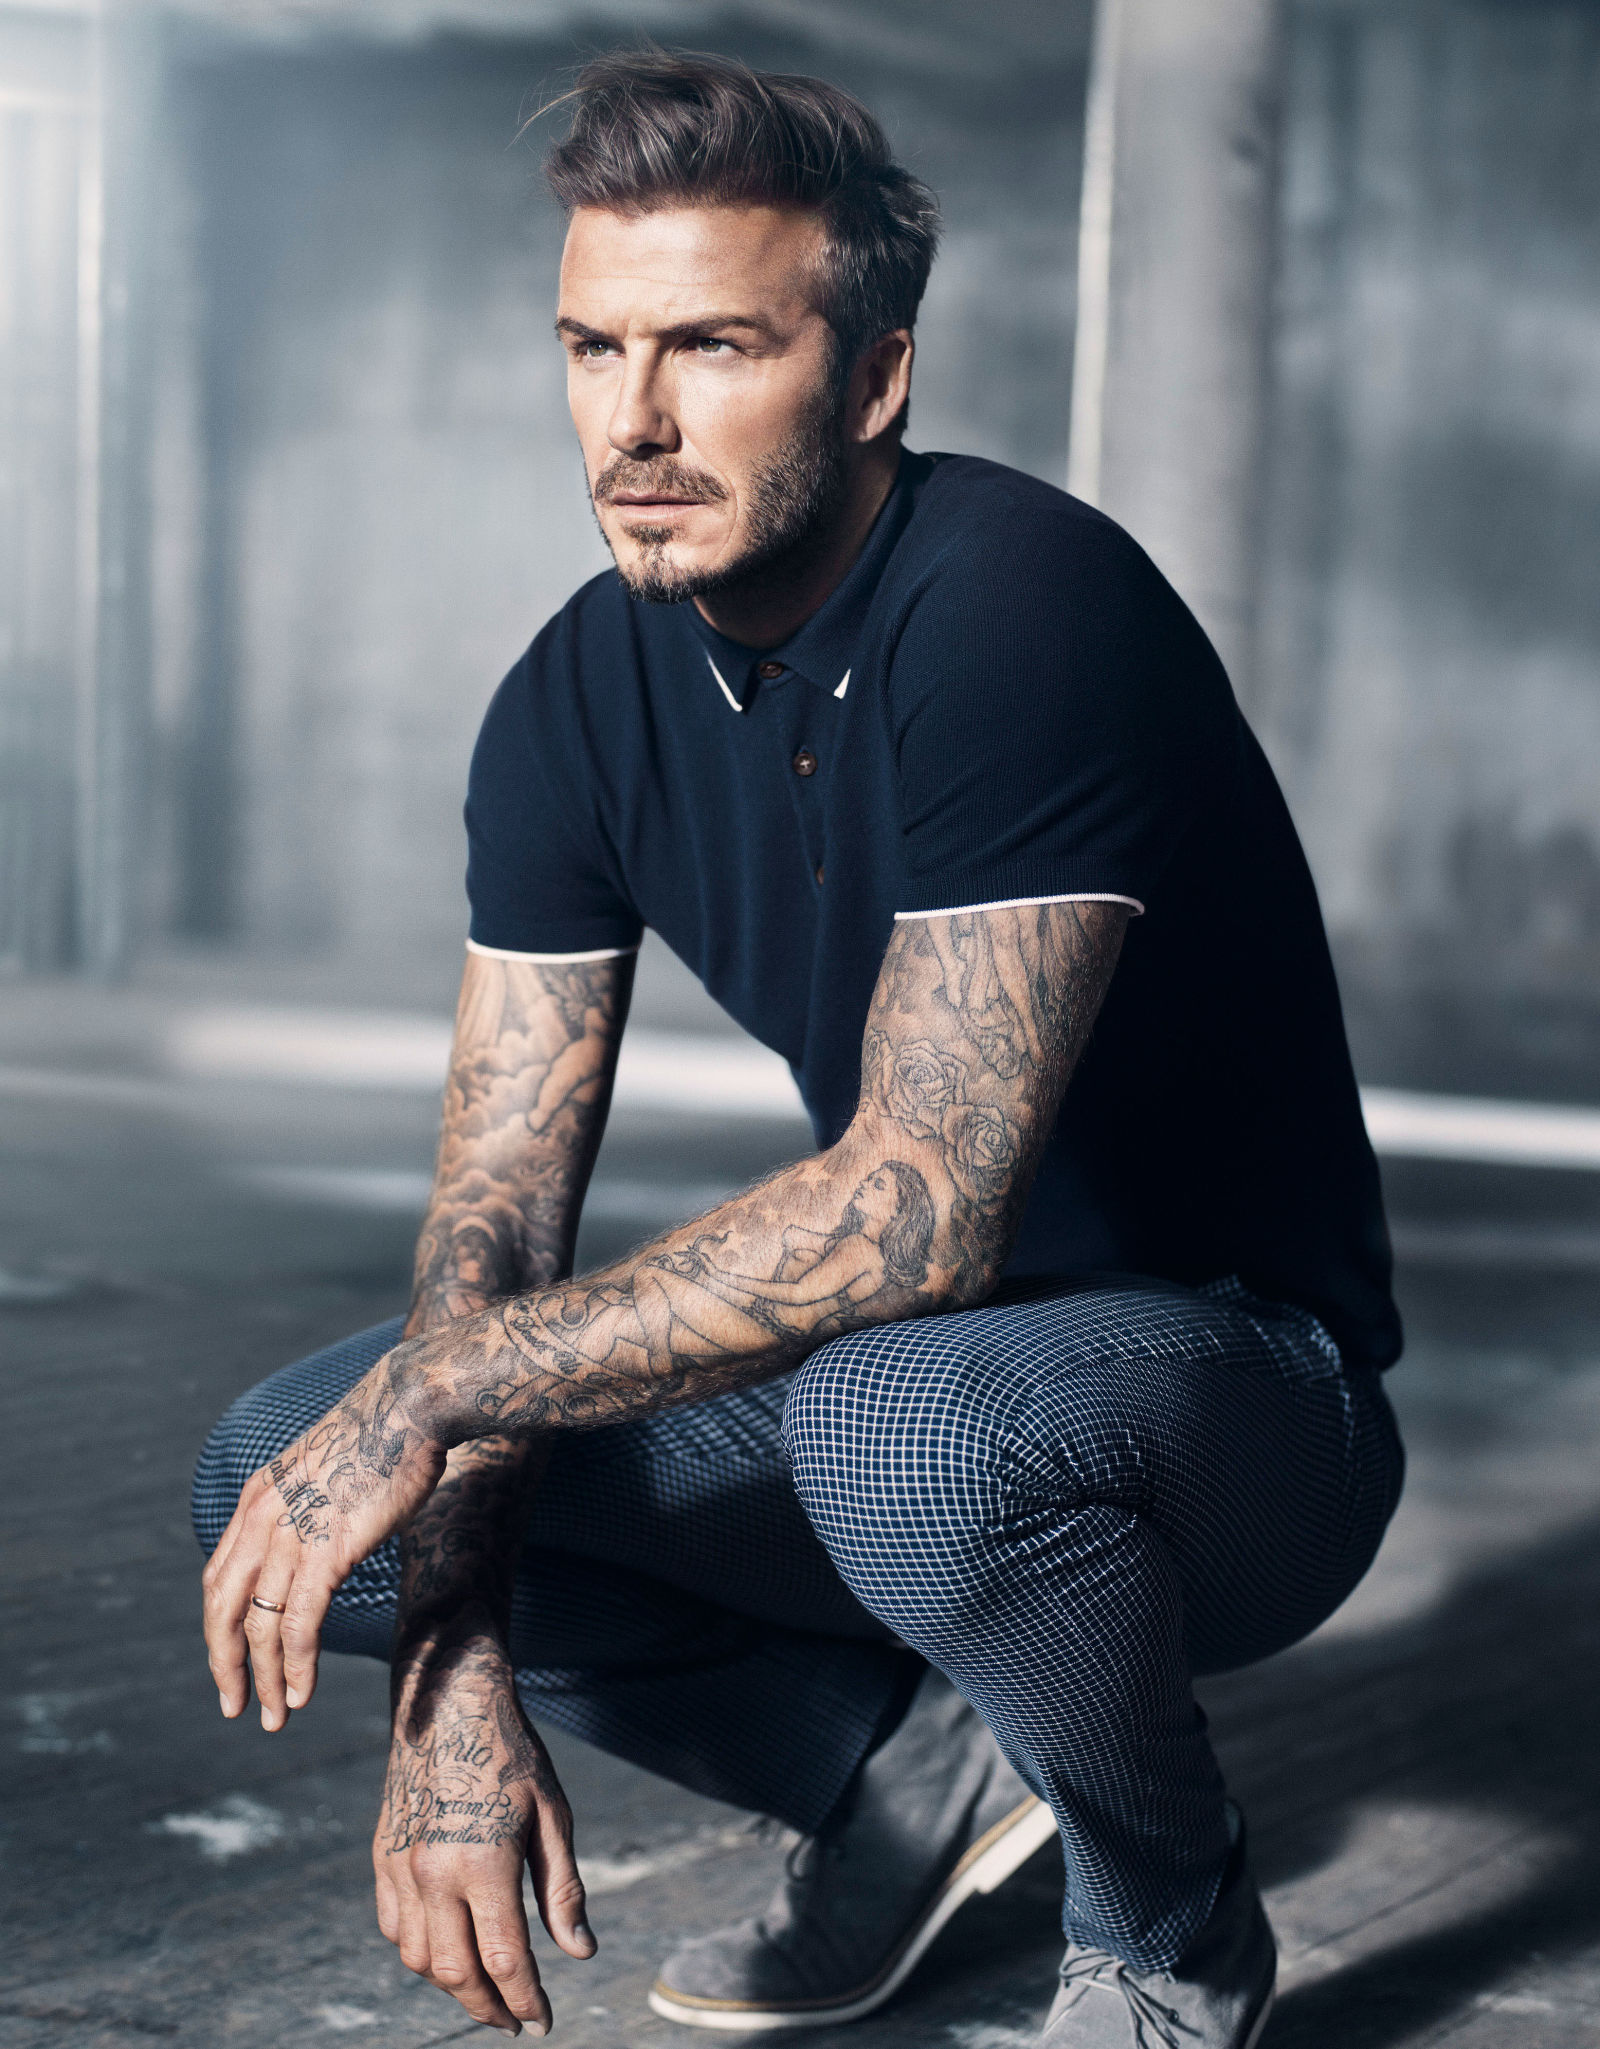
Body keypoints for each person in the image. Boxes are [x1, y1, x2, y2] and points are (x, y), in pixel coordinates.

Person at [193, 49, 1405, 2048]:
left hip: (1239, 1410)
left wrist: (433, 1393)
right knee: (280, 1462)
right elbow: (492, 1228)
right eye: (593, 347)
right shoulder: (573, 696)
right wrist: (451, 1666)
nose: (634, 419)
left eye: (713, 346)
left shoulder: (1023, 604)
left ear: (871, 377)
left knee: (894, 1421)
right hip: (896, 1390)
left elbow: (916, 1215)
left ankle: (1167, 1924)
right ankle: (899, 1775)